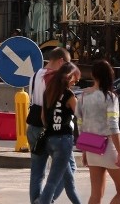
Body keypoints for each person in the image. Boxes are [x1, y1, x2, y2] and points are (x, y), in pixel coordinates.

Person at [76, 59, 120, 204]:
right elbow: (113, 125)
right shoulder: (110, 97)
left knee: (96, 195)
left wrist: (85, 151)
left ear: (93, 75)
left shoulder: (83, 96)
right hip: (108, 148)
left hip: (92, 148)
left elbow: (80, 124)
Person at [28, 47, 72, 204]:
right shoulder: (54, 78)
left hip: (32, 127)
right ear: (61, 61)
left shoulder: (35, 75)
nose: (69, 69)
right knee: (67, 171)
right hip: (50, 129)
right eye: (68, 65)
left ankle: (36, 201)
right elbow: (55, 105)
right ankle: (46, 200)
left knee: (37, 172)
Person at [37, 61, 82, 204]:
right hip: (64, 141)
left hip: (50, 140)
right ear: (69, 77)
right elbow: (80, 115)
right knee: (52, 183)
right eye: (75, 78)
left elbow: (43, 118)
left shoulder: (48, 91)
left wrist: (52, 127)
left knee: (69, 183)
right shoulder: (69, 95)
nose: (76, 82)